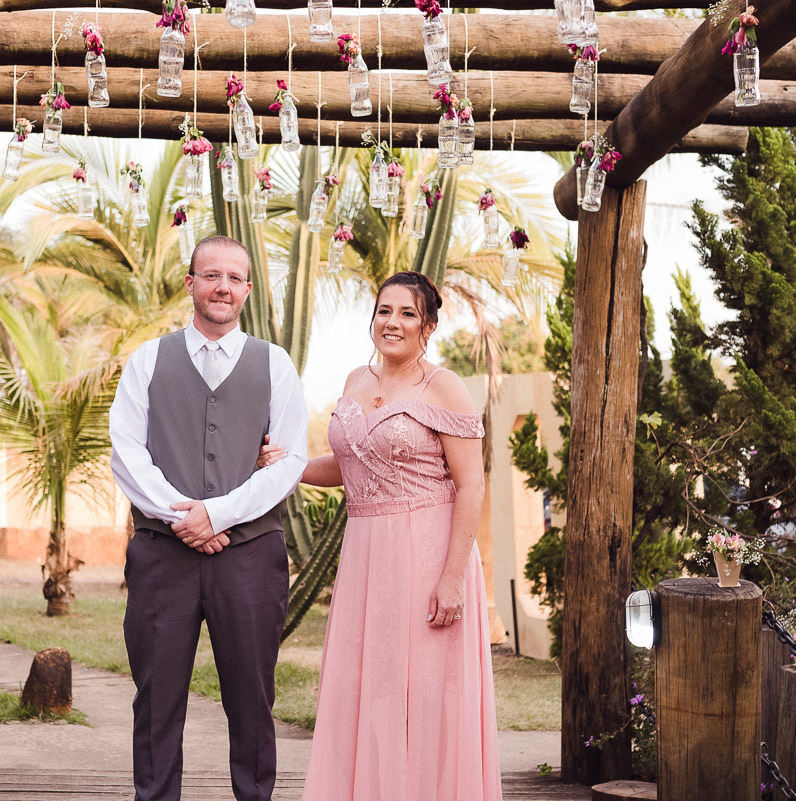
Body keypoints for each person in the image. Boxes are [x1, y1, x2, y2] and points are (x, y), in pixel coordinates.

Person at [260, 271, 502, 801]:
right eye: (384, 311)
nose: (392, 322)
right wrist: (289, 465)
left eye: (407, 313)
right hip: (367, 554)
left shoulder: (443, 386)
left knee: (426, 694)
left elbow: (472, 484)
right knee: (372, 691)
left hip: (429, 551)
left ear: (429, 327)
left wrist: (452, 578)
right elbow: (350, 468)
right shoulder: (355, 381)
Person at [108, 235, 308, 801]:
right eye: (211, 275)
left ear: (247, 289)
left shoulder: (276, 364)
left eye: (234, 278)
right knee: (156, 700)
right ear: (191, 282)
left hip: (250, 559)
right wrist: (183, 519)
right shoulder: (149, 358)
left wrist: (216, 514)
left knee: (252, 700)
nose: (222, 286)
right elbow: (126, 453)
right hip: (160, 557)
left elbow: (289, 459)